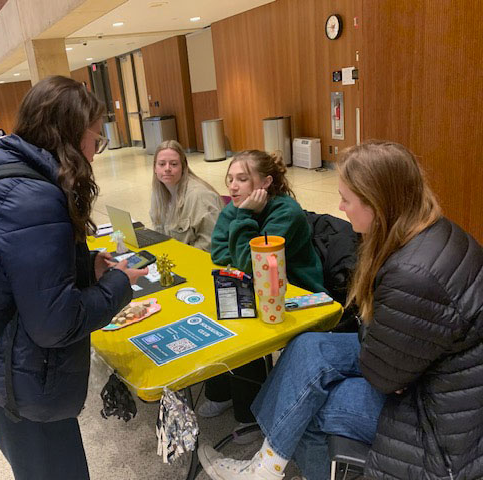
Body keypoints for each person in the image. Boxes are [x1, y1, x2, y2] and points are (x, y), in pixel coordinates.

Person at [198, 140, 483, 480]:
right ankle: (268, 464)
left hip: (444, 420)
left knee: (307, 404)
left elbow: (383, 376)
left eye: (347, 199)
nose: (340, 207)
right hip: (436, 372)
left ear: (376, 202)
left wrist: (374, 362)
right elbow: (382, 335)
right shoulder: (423, 231)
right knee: (306, 347)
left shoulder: (412, 274)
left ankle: (275, 462)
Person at [0, 75, 148, 480]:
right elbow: (55, 324)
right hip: (21, 385)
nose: (95, 155)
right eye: (94, 140)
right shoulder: (34, 199)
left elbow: (17, 271)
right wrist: (119, 284)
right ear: (67, 135)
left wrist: (82, 266)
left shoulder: (2, 172)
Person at [197, 150, 326, 443]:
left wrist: (242, 216)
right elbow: (219, 252)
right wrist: (239, 214)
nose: (232, 186)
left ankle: (249, 415)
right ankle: (222, 391)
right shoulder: (239, 206)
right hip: (260, 289)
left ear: (266, 182)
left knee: (243, 324)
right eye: (229, 179)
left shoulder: (286, 212)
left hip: (296, 295)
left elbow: (249, 262)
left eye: (242, 179)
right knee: (221, 307)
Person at [150, 140, 222, 252]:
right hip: (173, 256)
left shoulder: (199, 195)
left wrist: (180, 257)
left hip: (198, 260)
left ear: (184, 167)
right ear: (155, 168)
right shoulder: (159, 192)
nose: (167, 168)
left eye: (174, 164)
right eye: (162, 164)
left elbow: (210, 243)